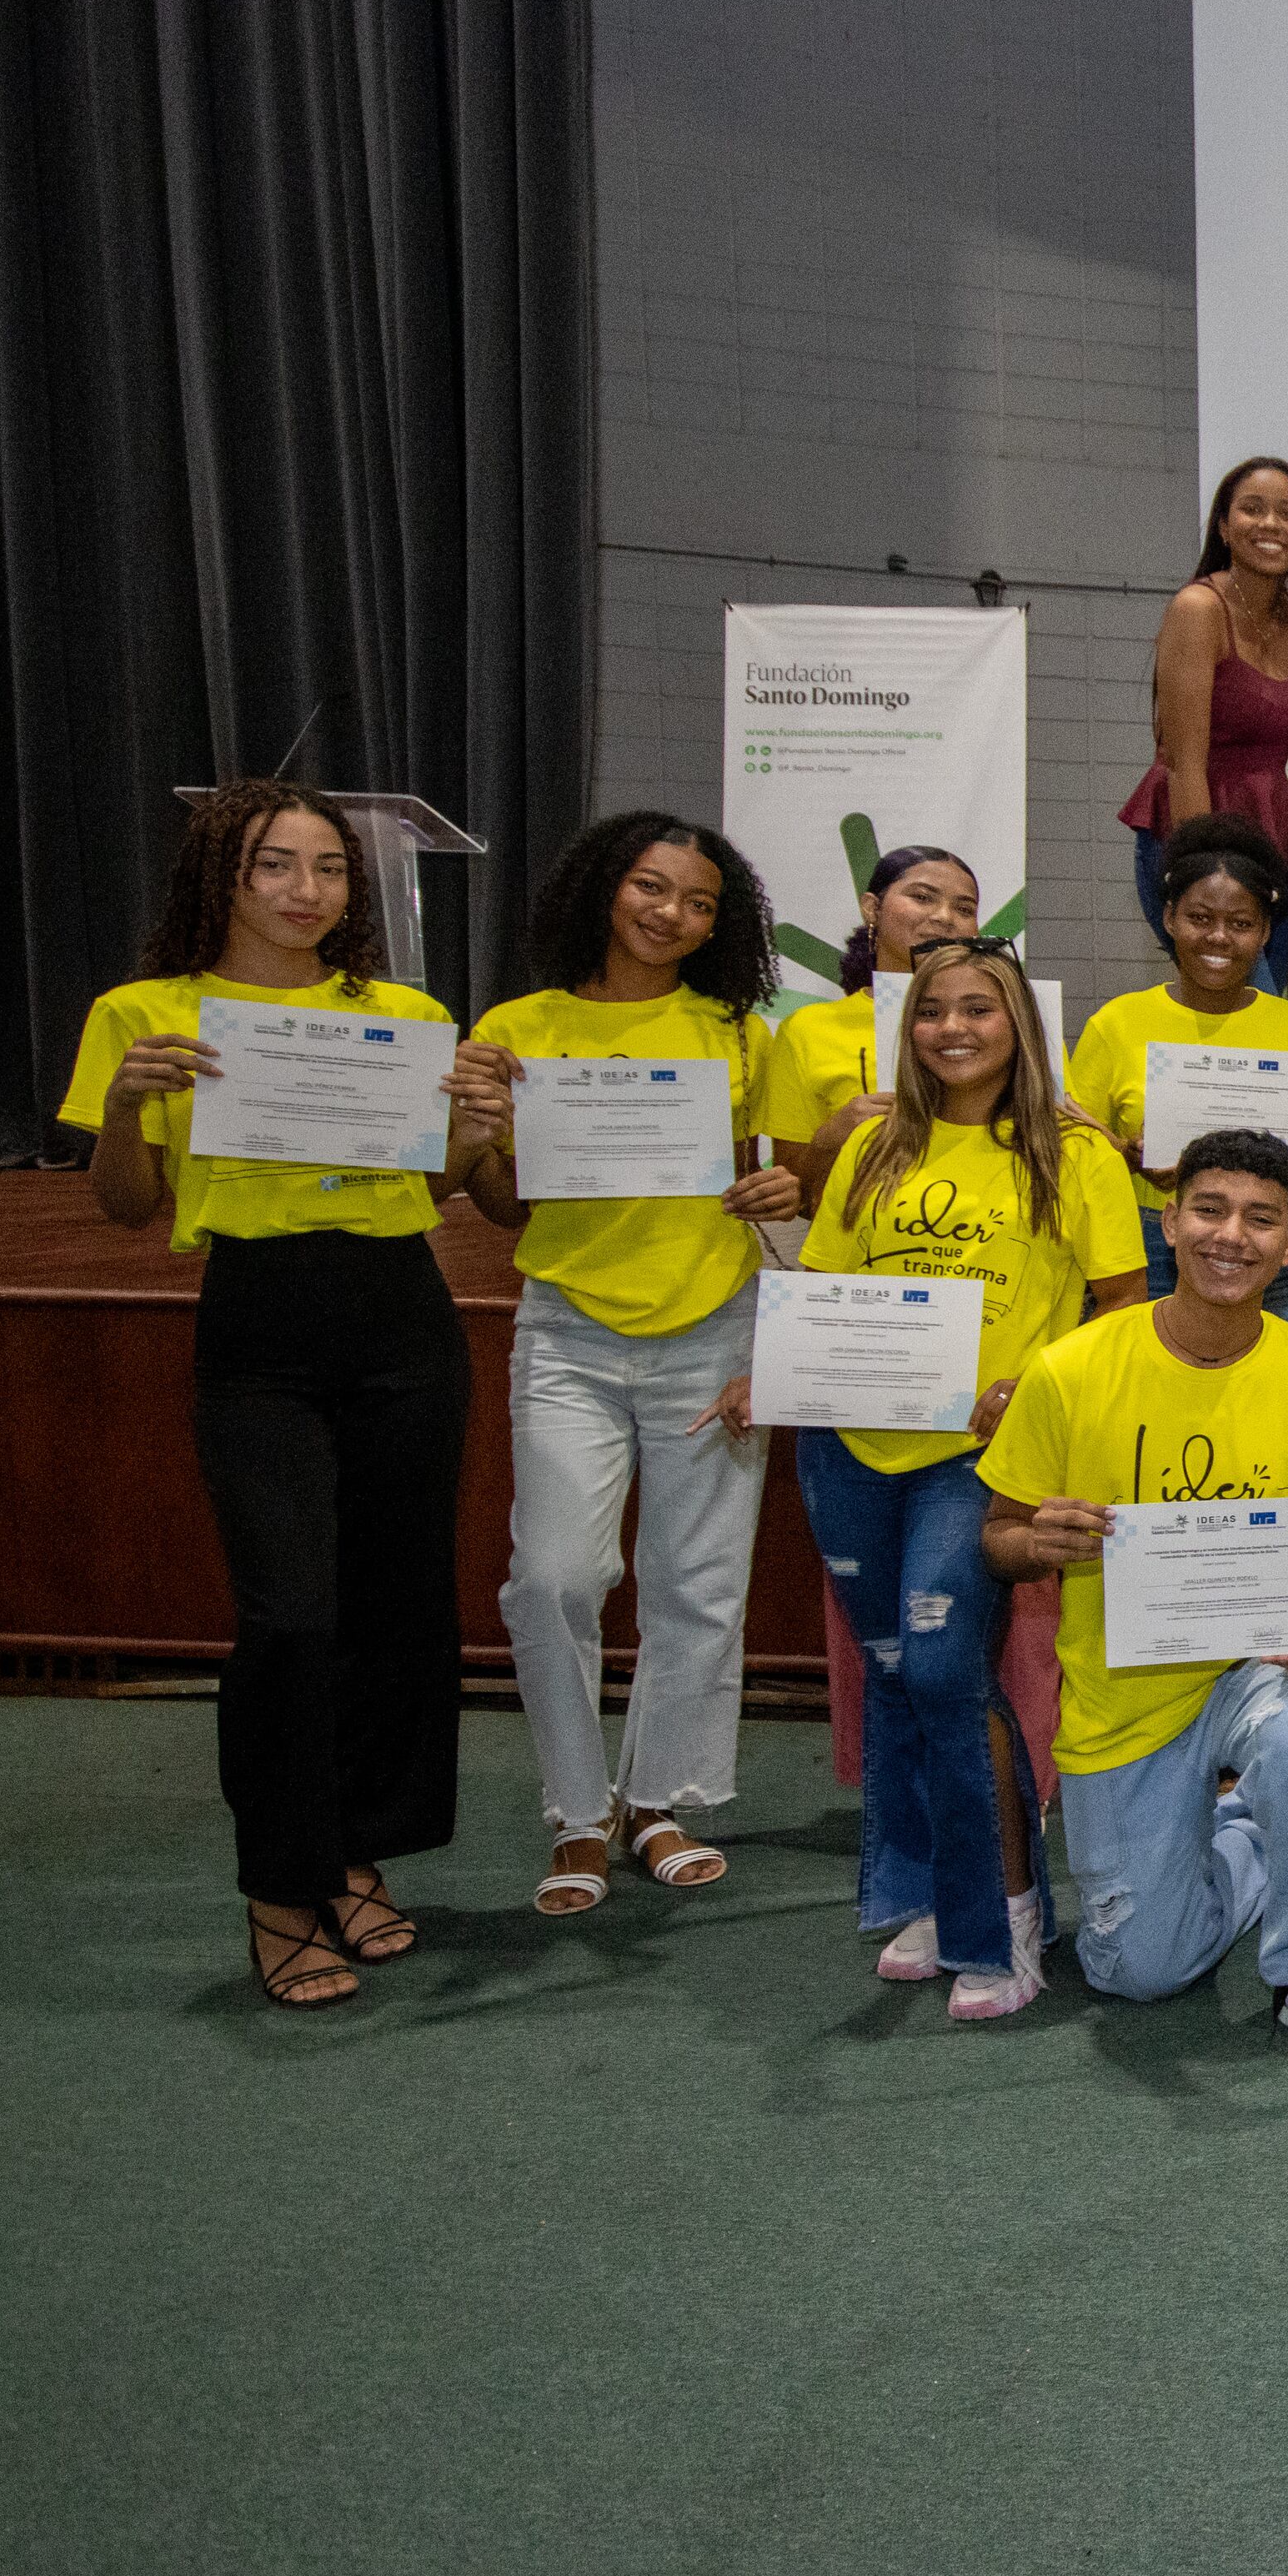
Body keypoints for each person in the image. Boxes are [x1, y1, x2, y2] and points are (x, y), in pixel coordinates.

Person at [63, 784, 499, 2008]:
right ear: (222, 874)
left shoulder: (404, 1015)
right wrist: (122, 1106)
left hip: (401, 1315)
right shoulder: (145, 1014)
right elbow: (125, 1205)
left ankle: (354, 1853)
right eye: (274, 864)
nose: (307, 890)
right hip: (258, 1326)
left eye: (330, 869)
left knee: (397, 1607)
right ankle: (279, 1887)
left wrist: (475, 1127)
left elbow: (436, 1185)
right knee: (290, 1615)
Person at [978, 1132, 1288, 2078]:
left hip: (1261, 1666)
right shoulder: (1070, 1368)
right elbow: (998, 1537)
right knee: (1139, 1969)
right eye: (1209, 1209)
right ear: (1168, 1221)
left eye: (1261, 1219)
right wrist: (1037, 1541)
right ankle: (1250, 1834)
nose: (1230, 1236)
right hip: (1128, 1694)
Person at [787, 939, 1147, 2021]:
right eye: (933, 1010)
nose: (953, 1028)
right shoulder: (874, 1146)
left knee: (946, 1667)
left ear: (1018, 1025)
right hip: (852, 1446)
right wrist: (769, 1369)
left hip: (979, 1459)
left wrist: (1030, 1389)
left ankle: (1005, 1911)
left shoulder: (1074, 1155)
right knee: (896, 1669)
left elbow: (1120, 1313)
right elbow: (825, 1290)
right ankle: (934, 1896)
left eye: (978, 1008)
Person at [452, 813, 800, 1918]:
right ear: (604, 887)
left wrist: (778, 1190)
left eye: (700, 903)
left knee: (698, 1584)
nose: (672, 914)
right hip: (570, 1331)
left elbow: (780, 1185)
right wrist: (481, 1132)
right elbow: (505, 1207)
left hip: (713, 1326)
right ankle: (576, 1808)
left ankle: (659, 1801)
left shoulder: (739, 1034)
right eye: (652, 887)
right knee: (552, 1577)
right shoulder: (519, 1027)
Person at [1065, 814, 1288, 1328]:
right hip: (1150, 1244)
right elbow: (1076, 1149)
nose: (1219, 937)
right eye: (1200, 918)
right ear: (1169, 918)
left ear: (1265, 931)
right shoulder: (1116, 1024)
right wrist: (1129, 1157)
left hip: (1271, 1249)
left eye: (1241, 924)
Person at [1124, 454, 1288, 992]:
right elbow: (1185, 764)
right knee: (1242, 998)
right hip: (1195, 835)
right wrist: (1206, 878)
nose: (1271, 525)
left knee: (1264, 1009)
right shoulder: (1198, 608)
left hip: (1273, 846)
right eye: (1252, 510)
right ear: (1224, 527)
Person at [762, 844, 984, 1198]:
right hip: (860, 1230)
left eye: (964, 908)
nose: (944, 917)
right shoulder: (809, 1029)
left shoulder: (1015, 1023)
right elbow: (798, 1197)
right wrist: (832, 1138)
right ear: (872, 908)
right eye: (922, 897)